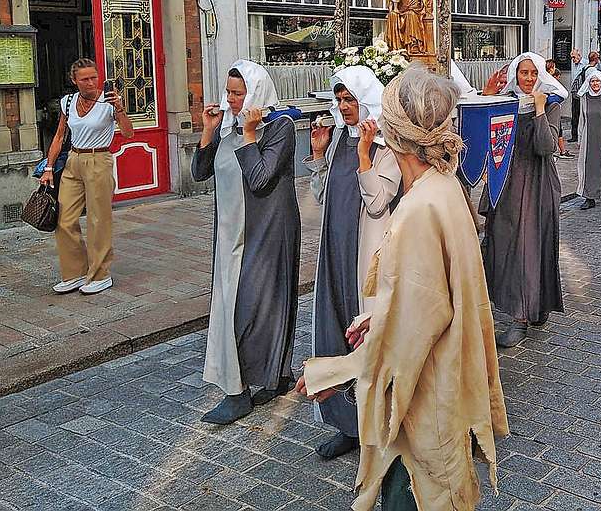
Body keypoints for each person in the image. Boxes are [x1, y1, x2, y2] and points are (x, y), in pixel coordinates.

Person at [298, 68, 508, 511]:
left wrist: (334, 373)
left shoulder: (418, 209)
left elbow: (409, 338)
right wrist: (380, 313)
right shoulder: (443, 186)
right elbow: (432, 293)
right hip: (439, 385)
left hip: (421, 402)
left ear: (395, 133)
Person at [192, 61, 300, 425]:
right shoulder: (227, 127)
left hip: (265, 232)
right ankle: (240, 388)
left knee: (262, 308)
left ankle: (268, 379)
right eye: (229, 93)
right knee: (230, 308)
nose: (231, 100)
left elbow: (260, 177)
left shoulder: (279, 128)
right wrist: (208, 132)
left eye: (238, 93)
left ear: (255, 93)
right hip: (231, 233)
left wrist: (250, 134)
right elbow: (200, 173)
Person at [305, 65, 401, 460]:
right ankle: (347, 425)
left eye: (351, 100)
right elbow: (321, 196)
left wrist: (364, 155)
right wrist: (317, 156)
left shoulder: (387, 146)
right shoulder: (339, 140)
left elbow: (378, 203)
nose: (345, 107)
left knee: (364, 338)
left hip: (365, 257)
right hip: (335, 252)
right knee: (333, 332)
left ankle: (373, 425)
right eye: (340, 100)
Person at [482, 52, 565, 348]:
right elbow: (483, 139)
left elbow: (546, 147)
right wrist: (486, 96)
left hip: (537, 186)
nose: (528, 79)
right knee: (509, 248)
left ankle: (522, 316)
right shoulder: (505, 103)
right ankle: (531, 307)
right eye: (523, 73)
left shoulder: (551, 103)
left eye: (533, 73)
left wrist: (540, 111)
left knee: (529, 248)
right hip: (507, 187)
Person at [43, 58, 134, 295]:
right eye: (85, 78)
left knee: (98, 220)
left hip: (98, 160)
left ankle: (100, 274)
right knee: (64, 219)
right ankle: (75, 273)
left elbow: (128, 133)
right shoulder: (68, 101)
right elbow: (59, 136)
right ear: (74, 81)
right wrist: (48, 167)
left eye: (94, 77)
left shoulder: (109, 101)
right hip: (73, 161)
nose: (91, 82)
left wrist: (120, 109)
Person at [576, 69, 601, 209]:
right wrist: (580, 138)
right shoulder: (584, 97)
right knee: (587, 166)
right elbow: (581, 118)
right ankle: (589, 196)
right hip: (588, 137)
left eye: (597, 81)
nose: (595, 84)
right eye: (592, 81)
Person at [546, 59, 572, 158]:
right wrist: (548, 99)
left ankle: (561, 151)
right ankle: (557, 151)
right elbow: (563, 94)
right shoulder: (548, 81)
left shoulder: (549, 80)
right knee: (554, 130)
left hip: (552, 109)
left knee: (557, 130)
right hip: (550, 110)